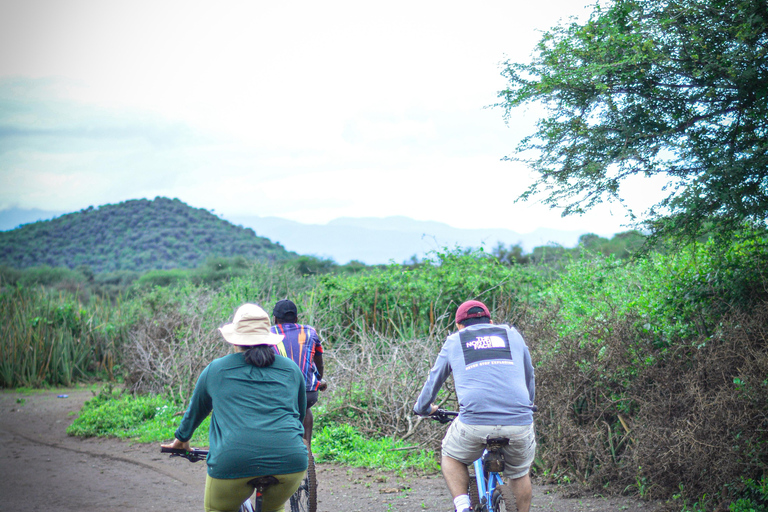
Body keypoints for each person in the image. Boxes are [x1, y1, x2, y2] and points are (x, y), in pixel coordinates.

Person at [162, 303, 307, 512]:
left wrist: (181, 441)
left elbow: (195, 413)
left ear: (235, 340)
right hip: (290, 461)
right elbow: (298, 416)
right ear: (268, 338)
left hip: (233, 461)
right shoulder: (291, 369)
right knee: (273, 509)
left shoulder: (216, 370)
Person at [413, 300, 536, 512]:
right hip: (519, 421)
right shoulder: (512, 334)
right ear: (490, 321)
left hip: (475, 423)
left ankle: (462, 507)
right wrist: (528, 405)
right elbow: (529, 375)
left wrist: (423, 408)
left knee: (451, 456)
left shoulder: (455, 340)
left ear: (459, 326)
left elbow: (434, 380)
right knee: (519, 473)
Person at [270, 299, 325, 451]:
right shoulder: (309, 331)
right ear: (296, 319)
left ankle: (278, 449)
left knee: (273, 411)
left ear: (275, 319)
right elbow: (319, 361)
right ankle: (307, 449)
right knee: (305, 408)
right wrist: (319, 380)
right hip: (309, 393)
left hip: (279, 393)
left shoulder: (268, 334)